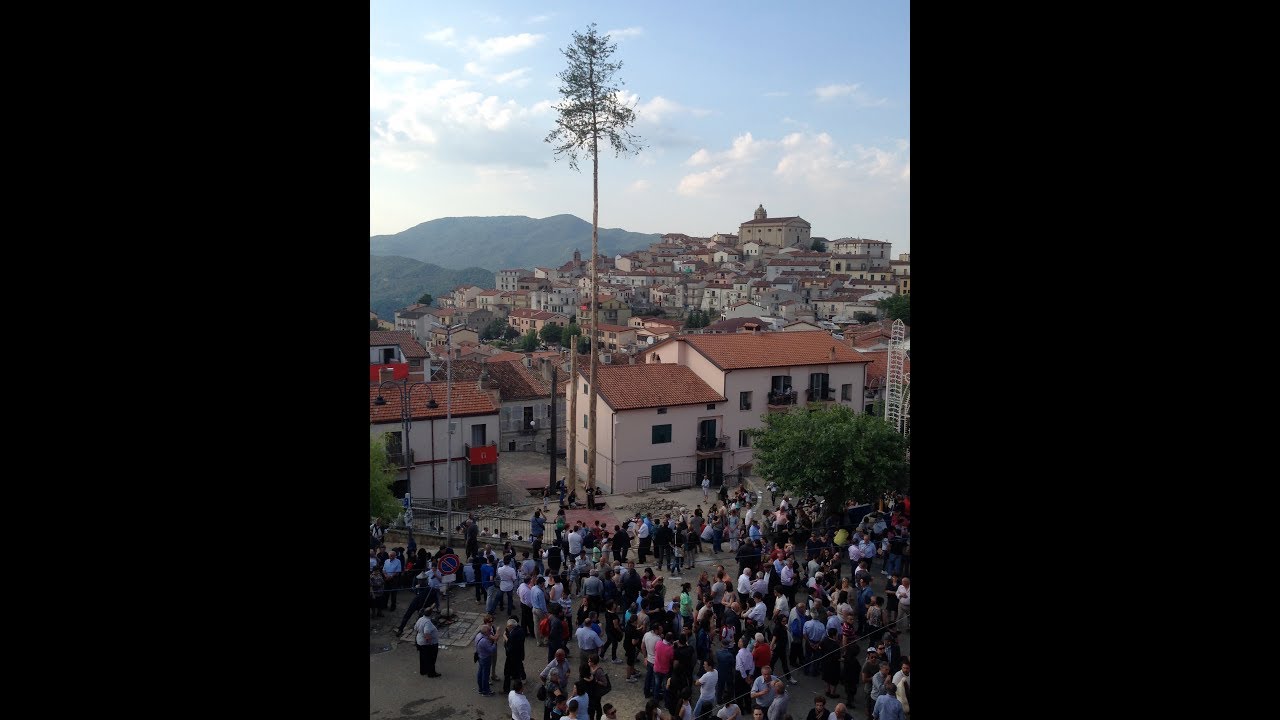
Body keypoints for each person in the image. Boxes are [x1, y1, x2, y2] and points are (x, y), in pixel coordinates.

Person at [415, 610, 441, 677]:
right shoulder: (428, 622)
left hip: (420, 641)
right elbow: (426, 632)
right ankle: (431, 673)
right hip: (428, 644)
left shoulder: (421, 619)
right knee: (431, 658)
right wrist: (430, 643)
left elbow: (415, 628)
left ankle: (423, 671)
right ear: (431, 614)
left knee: (423, 657)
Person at [505, 618, 528, 693]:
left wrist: (506, 639)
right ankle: (519, 685)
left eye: (508, 626)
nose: (507, 628)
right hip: (519, 654)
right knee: (518, 670)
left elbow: (510, 647)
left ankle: (511, 689)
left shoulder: (513, 634)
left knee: (511, 672)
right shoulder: (520, 630)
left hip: (513, 656)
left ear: (511, 626)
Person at [477, 623, 499, 696]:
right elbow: (491, 650)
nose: (490, 632)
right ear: (485, 632)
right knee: (485, 675)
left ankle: (480, 689)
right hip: (485, 658)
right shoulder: (485, 641)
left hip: (480, 656)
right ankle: (486, 691)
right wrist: (495, 642)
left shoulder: (478, 636)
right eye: (489, 631)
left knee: (480, 673)